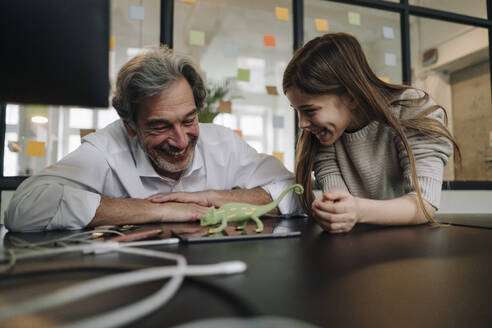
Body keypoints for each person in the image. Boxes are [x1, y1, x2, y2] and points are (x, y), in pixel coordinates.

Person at [5, 46, 299, 232]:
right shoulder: (107, 147)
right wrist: (157, 210)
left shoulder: (224, 143)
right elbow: (25, 208)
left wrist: (211, 198)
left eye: (189, 120)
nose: (181, 141)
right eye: (160, 126)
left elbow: (296, 191)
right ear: (130, 126)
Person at [282, 32, 460, 234]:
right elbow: (340, 205)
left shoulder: (411, 110)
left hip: (411, 248)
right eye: (296, 111)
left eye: (310, 110)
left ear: (351, 97)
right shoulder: (326, 135)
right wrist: (335, 211)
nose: (302, 124)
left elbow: (424, 204)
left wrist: (357, 210)